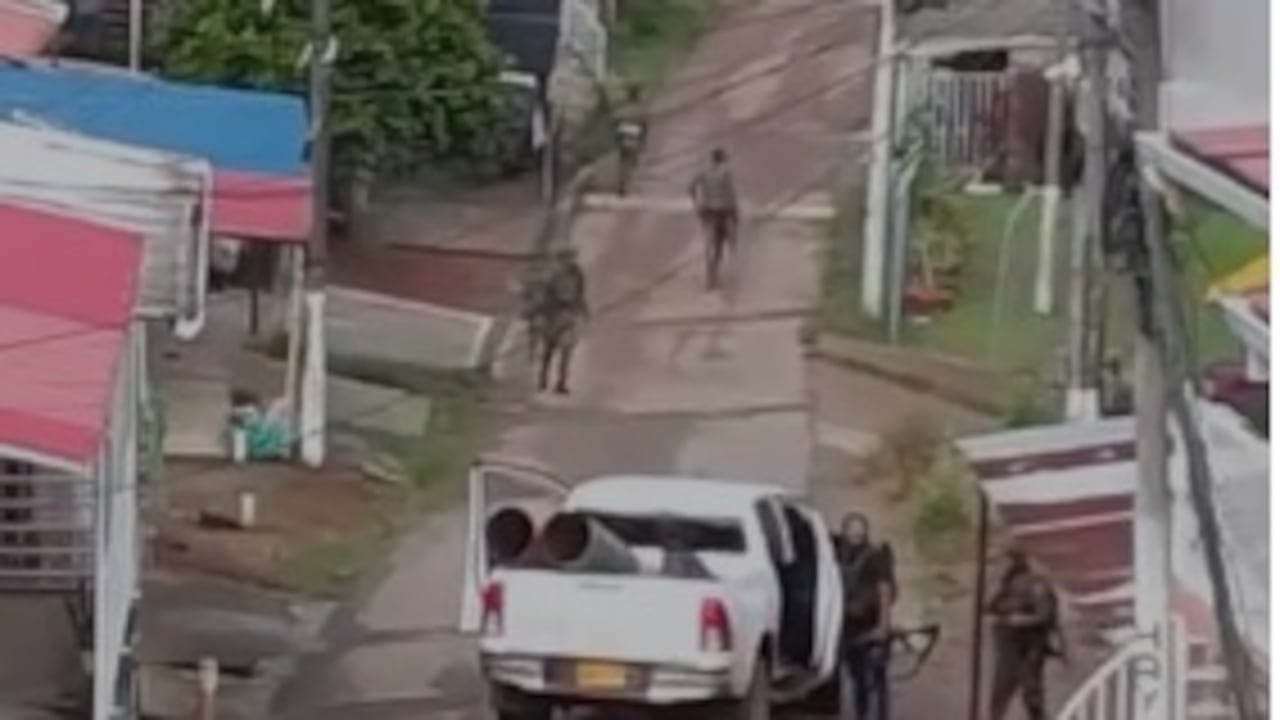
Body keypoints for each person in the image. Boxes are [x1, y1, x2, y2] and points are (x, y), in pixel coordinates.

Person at [986, 550, 1061, 720]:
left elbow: (1046, 616)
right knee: (1001, 693)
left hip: (1029, 647)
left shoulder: (1037, 586)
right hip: (1008, 646)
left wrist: (1020, 620)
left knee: (1031, 692)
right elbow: (990, 608)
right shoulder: (1007, 585)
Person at [836, 513, 895, 720]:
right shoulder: (840, 555)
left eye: (859, 530)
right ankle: (861, 714)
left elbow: (885, 589)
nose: (855, 534)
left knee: (877, 677)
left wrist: (883, 625)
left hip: (872, 625)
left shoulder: (875, 556)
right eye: (851, 530)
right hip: (849, 626)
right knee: (858, 678)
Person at [536, 245, 589, 395]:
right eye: (565, 257)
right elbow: (545, 296)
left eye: (571, 257)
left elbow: (580, 293)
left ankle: (561, 382)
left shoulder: (577, 274)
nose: (569, 260)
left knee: (567, 350)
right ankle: (543, 380)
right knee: (548, 350)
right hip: (553, 314)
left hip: (569, 313)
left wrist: (583, 311)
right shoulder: (552, 275)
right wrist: (542, 314)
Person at [688, 147, 740, 288]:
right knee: (722, 243)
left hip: (707, 210)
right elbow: (730, 194)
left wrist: (697, 203)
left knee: (709, 242)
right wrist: (735, 213)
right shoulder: (726, 173)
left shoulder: (704, 172)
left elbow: (691, 187)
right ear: (722, 159)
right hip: (722, 211)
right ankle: (718, 271)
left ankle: (710, 276)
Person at [614, 83, 647, 195]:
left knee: (623, 161)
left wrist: (617, 136)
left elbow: (616, 121)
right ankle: (625, 183)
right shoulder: (640, 109)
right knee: (631, 161)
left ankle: (621, 182)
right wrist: (643, 140)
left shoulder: (622, 108)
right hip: (634, 133)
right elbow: (644, 125)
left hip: (623, 134)